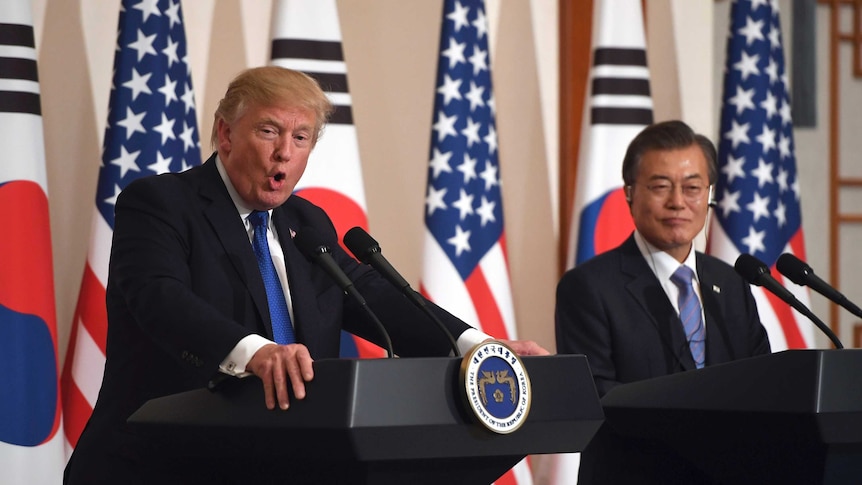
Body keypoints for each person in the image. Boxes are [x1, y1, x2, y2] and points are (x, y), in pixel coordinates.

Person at [64, 66, 547, 484]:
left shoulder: (307, 222)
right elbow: (160, 298)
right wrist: (255, 353)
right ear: (226, 134)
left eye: (300, 139)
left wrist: (479, 348)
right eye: (269, 131)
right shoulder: (162, 203)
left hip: (280, 466)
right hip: (155, 467)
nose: (284, 154)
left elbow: (372, 296)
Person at [555, 120, 771, 484]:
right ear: (629, 193)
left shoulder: (732, 283)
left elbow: (764, 380)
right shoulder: (588, 287)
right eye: (660, 186)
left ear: (708, 195)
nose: (678, 202)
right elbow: (597, 397)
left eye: (692, 188)